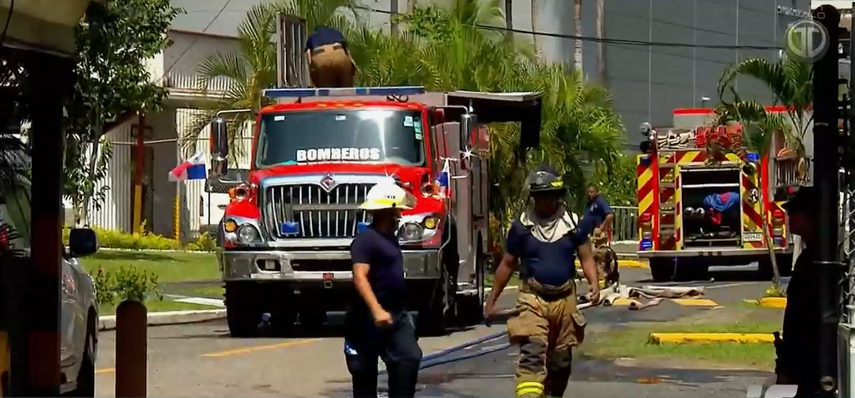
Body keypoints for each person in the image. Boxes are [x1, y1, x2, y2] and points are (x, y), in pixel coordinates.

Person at [484, 163, 601, 398]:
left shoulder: (573, 225)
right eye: (540, 197)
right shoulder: (521, 228)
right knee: (532, 355)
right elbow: (507, 264)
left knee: (560, 363)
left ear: (558, 196)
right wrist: (491, 300)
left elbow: (586, 256)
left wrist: (594, 284)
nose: (545, 202)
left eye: (549, 196)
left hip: (565, 300)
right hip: (532, 299)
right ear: (533, 198)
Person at [344, 178, 422, 398]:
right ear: (389, 211)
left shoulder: (389, 239)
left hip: (395, 315)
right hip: (367, 318)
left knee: (408, 359)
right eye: (397, 212)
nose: (400, 217)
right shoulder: (366, 240)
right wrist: (376, 309)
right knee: (363, 374)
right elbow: (359, 277)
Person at [775, 186, 833, 397]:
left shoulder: (811, 262)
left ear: (810, 216)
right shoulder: (817, 255)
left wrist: (786, 369)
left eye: (794, 213)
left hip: (808, 361)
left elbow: (797, 321)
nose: (789, 218)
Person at [583, 184, 615, 288]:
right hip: (590, 235)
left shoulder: (600, 202)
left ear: (596, 192)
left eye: (591, 192)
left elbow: (610, 215)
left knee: (599, 257)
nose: (589, 194)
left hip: (598, 235)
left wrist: (602, 228)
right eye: (588, 192)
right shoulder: (589, 204)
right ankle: (597, 283)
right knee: (593, 259)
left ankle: (603, 283)